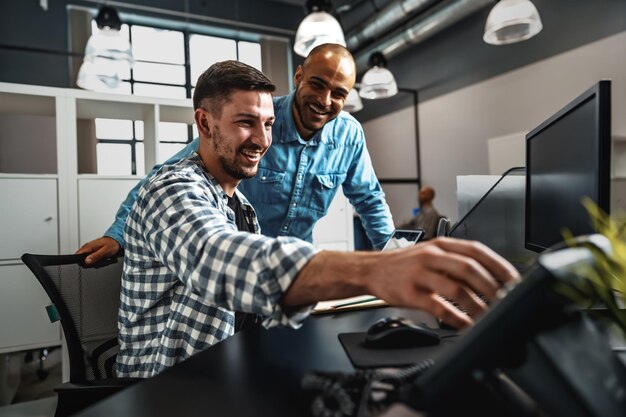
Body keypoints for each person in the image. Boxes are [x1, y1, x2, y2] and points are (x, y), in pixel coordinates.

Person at [116, 60, 519, 378]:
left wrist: (370, 276)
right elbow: (218, 259)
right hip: (165, 383)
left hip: (225, 361)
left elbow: (369, 198)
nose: (261, 140)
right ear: (204, 123)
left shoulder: (239, 203)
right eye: (245, 123)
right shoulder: (173, 189)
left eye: (268, 124)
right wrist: (377, 269)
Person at [77, 43, 394, 265]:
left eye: (338, 93)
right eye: (317, 85)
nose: (325, 100)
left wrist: (396, 256)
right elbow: (169, 173)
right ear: (298, 77)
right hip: (239, 261)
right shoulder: (256, 119)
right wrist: (118, 234)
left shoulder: (349, 135)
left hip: (295, 266)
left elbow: (370, 201)